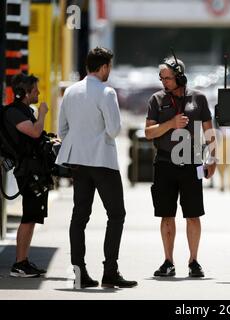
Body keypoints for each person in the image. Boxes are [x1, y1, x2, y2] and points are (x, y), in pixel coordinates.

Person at [57, 47, 137, 289]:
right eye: (109, 67)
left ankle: (79, 271)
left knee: (79, 216)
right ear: (103, 67)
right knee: (116, 214)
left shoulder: (70, 91)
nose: (109, 71)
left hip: (78, 162)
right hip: (103, 160)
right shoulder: (107, 92)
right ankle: (110, 271)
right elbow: (114, 130)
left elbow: (62, 130)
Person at [145, 56, 216, 278]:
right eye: (161, 78)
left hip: (192, 161)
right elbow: (148, 133)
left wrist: (213, 157)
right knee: (167, 214)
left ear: (180, 76)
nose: (163, 82)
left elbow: (208, 130)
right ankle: (168, 261)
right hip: (165, 162)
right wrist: (170, 124)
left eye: (167, 78)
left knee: (193, 215)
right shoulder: (156, 100)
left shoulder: (200, 98)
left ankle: (194, 261)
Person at [3, 74, 49, 277]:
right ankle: (19, 264)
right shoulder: (14, 113)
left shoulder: (23, 111)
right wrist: (42, 115)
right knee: (28, 217)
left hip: (34, 170)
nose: (38, 92)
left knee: (32, 217)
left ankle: (23, 261)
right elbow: (34, 132)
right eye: (35, 90)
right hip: (27, 171)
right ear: (24, 92)